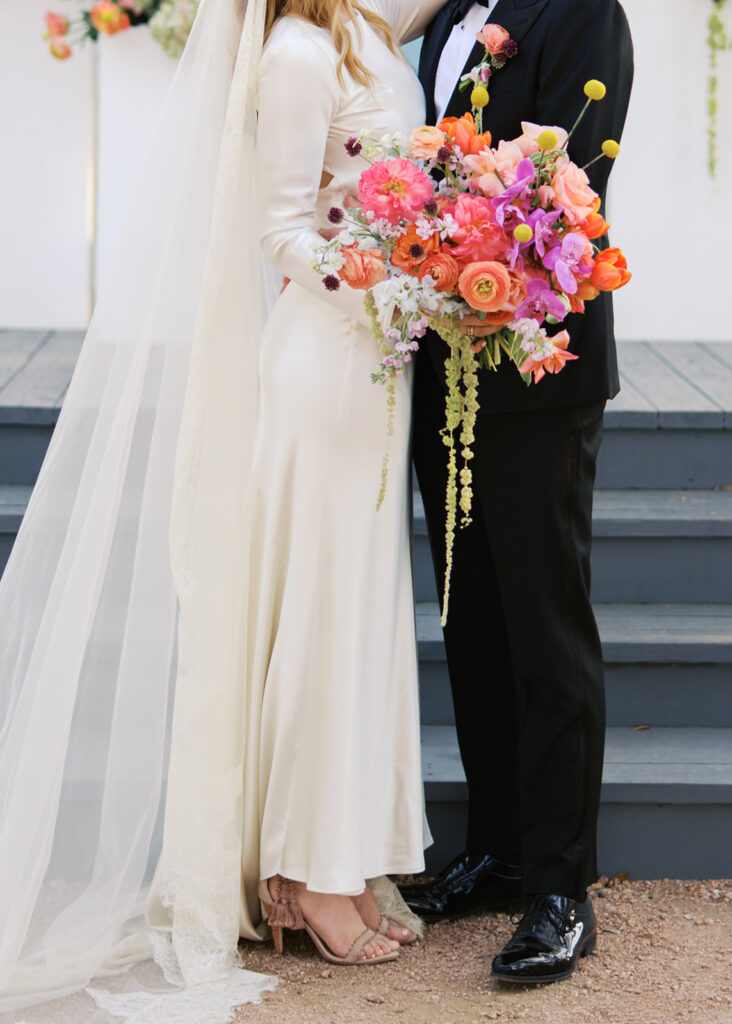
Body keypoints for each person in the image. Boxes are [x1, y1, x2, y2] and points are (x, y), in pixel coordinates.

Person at [0, 0, 451, 1019]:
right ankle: (303, 874)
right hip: (325, 358)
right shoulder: (294, 55)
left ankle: (331, 856)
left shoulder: (370, 35)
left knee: (352, 617)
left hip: (378, 369)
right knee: (316, 621)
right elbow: (281, 227)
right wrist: (385, 275)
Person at [400, 0, 634, 985]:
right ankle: (496, 847)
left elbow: (567, 185)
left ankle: (558, 889)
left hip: (538, 371)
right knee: (473, 620)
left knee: (545, 629)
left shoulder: (586, 12)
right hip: (441, 367)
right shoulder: (451, 10)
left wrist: (459, 238)